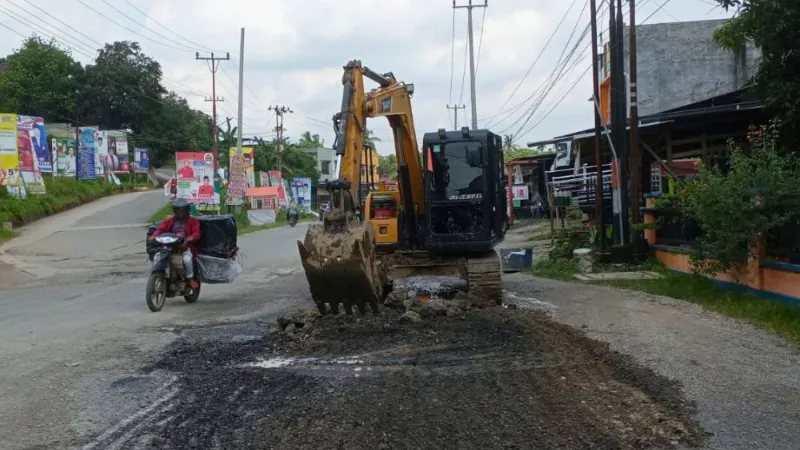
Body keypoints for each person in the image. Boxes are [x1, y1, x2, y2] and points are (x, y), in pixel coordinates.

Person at [148, 198, 201, 289]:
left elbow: (197, 233)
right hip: (168, 248)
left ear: (187, 210)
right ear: (174, 210)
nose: (180, 213)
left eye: (183, 210)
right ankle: (156, 275)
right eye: (178, 210)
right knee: (157, 256)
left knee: (187, 260)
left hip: (184, 248)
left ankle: (190, 279)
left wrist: (190, 238)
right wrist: (154, 236)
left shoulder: (193, 221)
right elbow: (161, 229)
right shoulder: (170, 220)